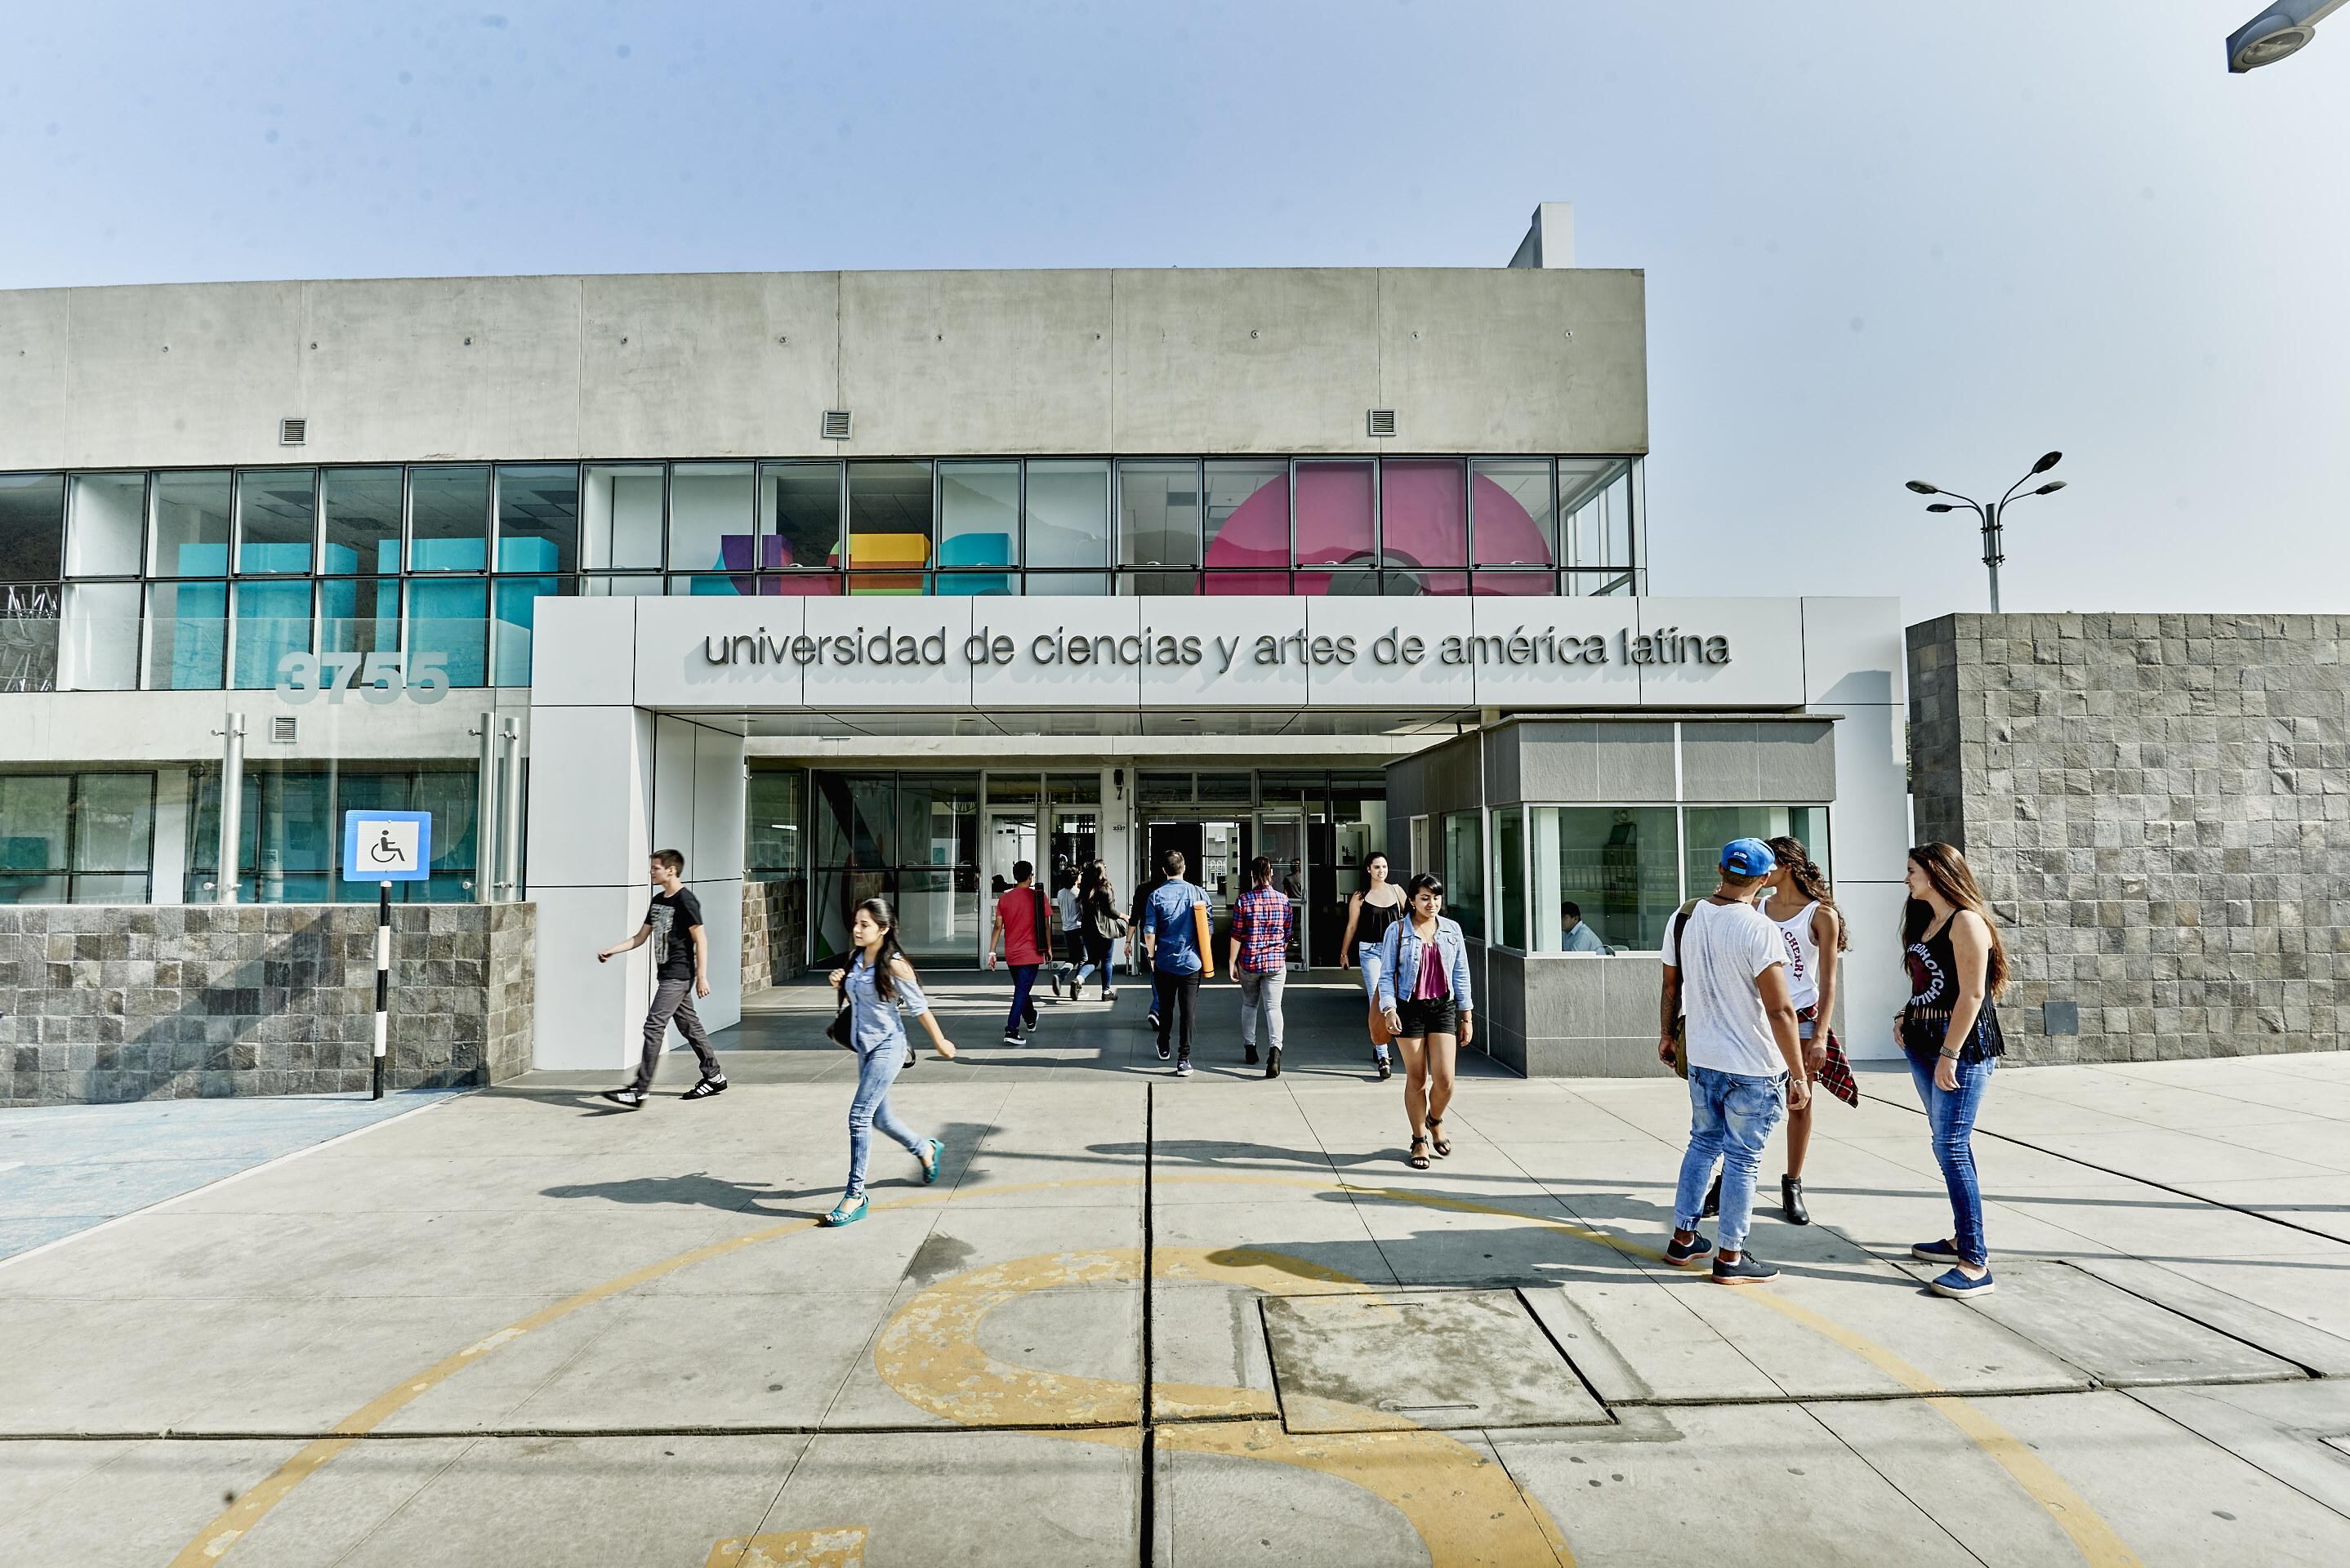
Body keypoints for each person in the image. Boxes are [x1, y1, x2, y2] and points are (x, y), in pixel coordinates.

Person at [1657, 839, 1812, 1285]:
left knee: (1701, 1144)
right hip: (1753, 1066)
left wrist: (1667, 1035)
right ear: (1764, 880)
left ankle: (1683, 1240)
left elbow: (1671, 985)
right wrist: (1798, 1075)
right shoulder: (1760, 928)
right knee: (1744, 1160)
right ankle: (1730, 1255)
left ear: (1720, 869)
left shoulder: (1685, 916)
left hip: (1703, 1058)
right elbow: (1781, 1010)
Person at [1899, 842, 2008, 1298]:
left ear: (1936, 873)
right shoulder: (1930, 920)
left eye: (1911, 871)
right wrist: (1905, 1015)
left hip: (1958, 1047)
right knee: (1946, 1146)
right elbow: (1930, 984)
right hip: (1925, 1042)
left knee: (1952, 1146)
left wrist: (1950, 1053)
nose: (1906, 878)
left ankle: (1975, 1263)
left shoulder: (1966, 921)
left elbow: (1972, 996)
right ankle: (1962, 1240)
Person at [820, 897, 955, 1227]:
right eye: (856, 923)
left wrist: (940, 1042)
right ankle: (924, 1149)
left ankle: (856, 1194)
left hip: (888, 1047)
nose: (856, 929)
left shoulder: (895, 964)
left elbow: (919, 1006)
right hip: (865, 1048)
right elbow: (862, 999)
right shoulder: (856, 958)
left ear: (883, 928)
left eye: (865, 925)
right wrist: (840, 981)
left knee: (858, 1116)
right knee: (881, 1118)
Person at [1759, 835, 1855, 1225]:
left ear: (1785, 866)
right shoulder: (1755, 907)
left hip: (1802, 1018)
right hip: (1758, 1019)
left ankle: (1793, 1183)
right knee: (1747, 1102)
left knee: (1799, 1101)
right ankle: (1726, 1180)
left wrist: (1820, 1035)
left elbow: (1830, 982)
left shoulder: (1820, 915)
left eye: (1768, 864)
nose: (1762, 873)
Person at [595, 849, 725, 1109]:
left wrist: (702, 976)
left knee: (654, 1025)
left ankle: (639, 1090)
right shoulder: (658, 901)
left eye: (655, 868)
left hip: (679, 975)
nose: (651, 872)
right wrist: (613, 949)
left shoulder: (686, 901)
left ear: (671, 870)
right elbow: (640, 937)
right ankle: (714, 1076)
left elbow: (701, 939)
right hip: (667, 974)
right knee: (691, 1026)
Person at [1375, 873, 1474, 1169]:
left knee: (1445, 1080)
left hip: (1443, 1006)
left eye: (1437, 897)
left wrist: (1466, 1015)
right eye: (1425, 898)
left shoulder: (1452, 930)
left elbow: (1461, 974)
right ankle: (1419, 1139)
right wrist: (1389, 1009)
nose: (1432, 903)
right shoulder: (1398, 931)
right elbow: (1385, 974)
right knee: (1417, 1078)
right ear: (1413, 900)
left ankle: (1435, 1119)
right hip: (1409, 1008)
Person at [1139, 849, 1213, 1075]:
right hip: (1191, 963)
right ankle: (1184, 1060)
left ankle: (1163, 1042)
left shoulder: (1156, 896)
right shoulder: (1199, 893)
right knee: (1188, 1011)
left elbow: (1149, 932)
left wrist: (1152, 957)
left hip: (1164, 962)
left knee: (1166, 1005)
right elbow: (1208, 929)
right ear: (1184, 868)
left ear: (1164, 870)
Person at [1338, 851, 1406, 1080]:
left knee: (1399, 999)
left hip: (1395, 952)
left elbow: (1411, 919)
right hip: (1370, 952)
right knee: (1378, 1000)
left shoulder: (1397, 891)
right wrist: (1344, 952)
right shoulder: (1360, 896)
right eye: (1377, 867)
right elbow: (1351, 926)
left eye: (1384, 867)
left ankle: (1379, 1040)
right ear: (1368, 869)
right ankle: (1384, 1057)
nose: (1382, 871)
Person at [1229, 854, 1294, 1077]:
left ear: (1252, 875)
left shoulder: (1243, 901)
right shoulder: (1283, 901)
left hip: (1249, 961)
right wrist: (1278, 952)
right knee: (1274, 1007)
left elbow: (1237, 935)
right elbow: (1287, 934)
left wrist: (1231, 962)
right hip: (1275, 962)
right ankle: (1275, 1051)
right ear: (1271, 874)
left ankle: (1250, 1048)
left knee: (1250, 1005)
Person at [987, 858, 1051, 1046]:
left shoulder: (1004, 899)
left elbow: (998, 926)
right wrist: (1048, 948)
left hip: (1012, 954)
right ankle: (1011, 1030)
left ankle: (1031, 1018)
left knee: (1022, 989)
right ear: (1030, 876)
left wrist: (992, 952)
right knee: (1022, 991)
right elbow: (1046, 925)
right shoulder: (1038, 897)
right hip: (1031, 953)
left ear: (1015, 877)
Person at [1075, 867, 1125, 1001]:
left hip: (1087, 929)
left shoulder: (1084, 889)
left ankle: (1079, 979)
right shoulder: (1105, 889)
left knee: (1092, 960)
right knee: (1107, 960)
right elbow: (1111, 911)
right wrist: (1125, 917)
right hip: (1104, 930)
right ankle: (1106, 991)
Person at [1047, 867, 1085, 1000]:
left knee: (1072, 958)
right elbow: (1083, 912)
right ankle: (1078, 986)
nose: (1081, 876)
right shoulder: (1078, 893)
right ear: (1075, 878)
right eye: (1079, 874)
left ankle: (1060, 975)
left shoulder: (1060, 893)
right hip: (1079, 929)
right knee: (1083, 959)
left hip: (1067, 929)